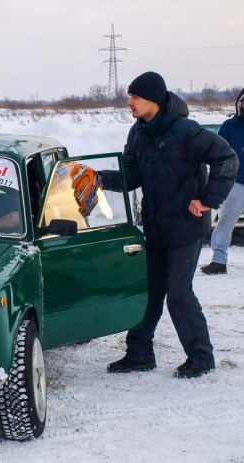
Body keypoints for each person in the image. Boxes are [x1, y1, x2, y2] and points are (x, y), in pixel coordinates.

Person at [103, 72, 238, 378]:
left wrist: (208, 200)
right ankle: (139, 354)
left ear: (153, 99)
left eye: (135, 97)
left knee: (178, 292)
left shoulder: (186, 131)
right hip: (154, 226)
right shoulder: (138, 133)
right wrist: (96, 180)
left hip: (185, 228)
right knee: (148, 291)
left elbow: (227, 158)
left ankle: (201, 357)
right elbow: (131, 176)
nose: (129, 103)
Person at [200, 89, 244, 275]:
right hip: (235, 183)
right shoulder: (229, 126)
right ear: (240, 103)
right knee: (225, 222)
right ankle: (219, 261)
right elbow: (218, 155)